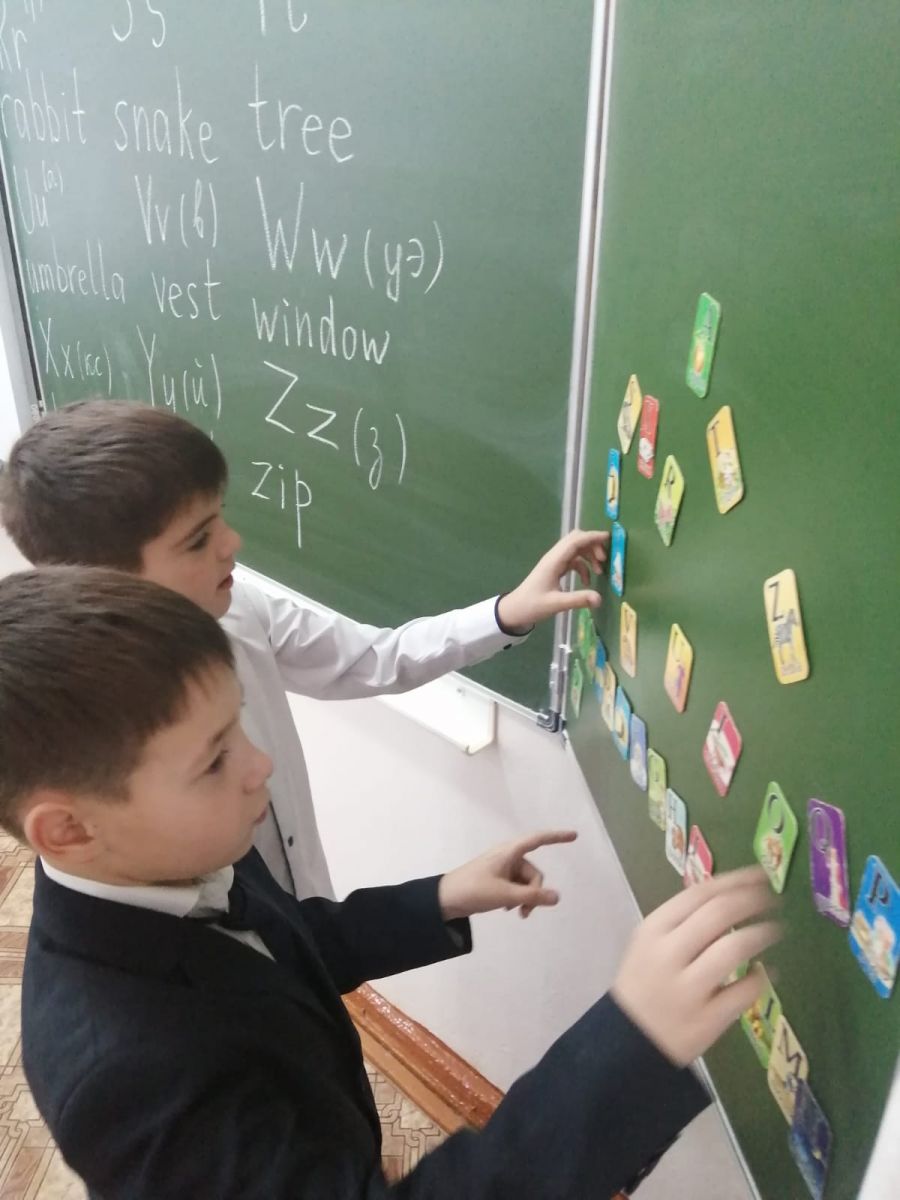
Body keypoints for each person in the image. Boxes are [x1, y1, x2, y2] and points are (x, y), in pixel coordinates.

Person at [3, 568, 781, 1199]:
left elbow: (282, 946)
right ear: (67, 830)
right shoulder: (126, 1082)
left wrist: (439, 897)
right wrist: (629, 1047)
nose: (259, 764)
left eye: (239, 722)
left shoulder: (172, 852)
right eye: (213, 759)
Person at [0, 400, 610, 898]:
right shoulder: (95, 733)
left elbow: (373, 659)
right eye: (198, 540)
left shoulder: (240, 607)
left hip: (305, 919)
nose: (233, 543)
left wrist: (506, 614)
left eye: (221, 517)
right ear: (105, 576)